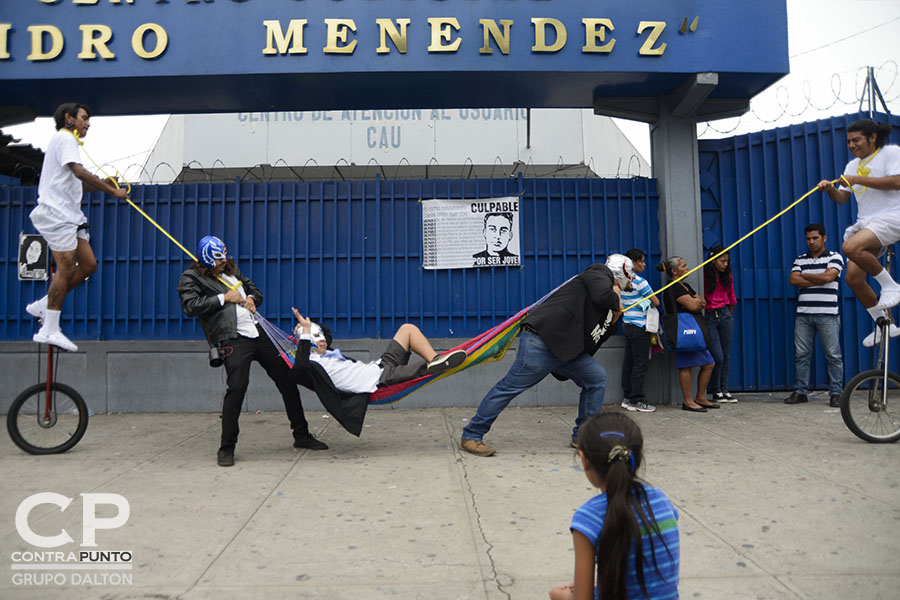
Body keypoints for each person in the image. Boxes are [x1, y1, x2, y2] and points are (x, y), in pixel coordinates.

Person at [177, 236, 327, 467]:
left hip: (258, 333)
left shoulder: (231, 272)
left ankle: (302, 435)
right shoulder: (191, 278)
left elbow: (255, 291)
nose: (223, 262)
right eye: (218, 259)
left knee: (287, 379)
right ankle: (226, 447)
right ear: (206, 259)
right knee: (237, 387)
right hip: (233, 338)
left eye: (224, 257)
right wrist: (223, 298)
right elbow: (190, 306)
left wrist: (251, 299)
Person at [460, 256, 629, 456]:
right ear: (621, 272)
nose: (632, 282)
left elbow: (597, 337)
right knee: (508, 388)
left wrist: (613, 319)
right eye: (632, 276)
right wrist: (616, 296)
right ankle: (472, 435)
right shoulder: (599, 273)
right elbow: (603, 296)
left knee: (596, 377)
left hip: (566, 349)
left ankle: (584, 435)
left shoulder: (606, 297)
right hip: (543, 342)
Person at [26, 102, 128, 352]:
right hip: (57, 215)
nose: (88, 123)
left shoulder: (65, 143)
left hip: (71, 216)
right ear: (68, 118)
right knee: (66, 267)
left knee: (89, 264)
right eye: (84, 118)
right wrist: (112, 190)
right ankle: (49, 328)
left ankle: (43, 303)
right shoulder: (64, 137)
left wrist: (103, 184)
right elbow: (79, 173)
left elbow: (78, 183)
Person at [548, 412, 679, 600]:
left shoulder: (588, 518)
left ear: (584, 460)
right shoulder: (661, 501)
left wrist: (562, 596)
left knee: (557, 595)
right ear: (638, 458)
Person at [817, 119, 900, 346]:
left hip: (893, 216)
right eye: (849, 141)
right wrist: (830, 189)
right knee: (853, 278)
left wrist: (856, 179)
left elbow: (896, 181)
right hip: (868, 223)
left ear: (872, 138)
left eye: (856, 140)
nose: (852, 145)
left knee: (850, 247)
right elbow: (842, 198)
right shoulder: (851, 166)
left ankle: (890, 285)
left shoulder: (890, 153)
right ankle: (884, 325)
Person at [290, 308, 467, 395]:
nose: (321, 338)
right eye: (315, 337)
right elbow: (299, 369)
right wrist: (305, 333)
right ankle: (436, 364)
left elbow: (326, 334)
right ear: (306, 342)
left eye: (319, 334)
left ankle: (436, 359)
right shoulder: (311, 364)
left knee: (407, 329)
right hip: (380, 381)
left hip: (380, 366)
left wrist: (308, 326)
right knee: (423, 369)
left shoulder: (325, 352)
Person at [785, 224, 845, 408]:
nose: (811, 242)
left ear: (824, 238)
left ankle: (836, 393)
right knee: (801, 355)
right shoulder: (800, 259)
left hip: (828, 315)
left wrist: (807, 275)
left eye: (815, 238)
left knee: (833, 355)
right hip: (803, 315)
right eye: (808, 238)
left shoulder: (835, 257)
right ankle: (801, 392)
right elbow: (793, 280)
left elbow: (829, 278)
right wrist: (821, 276)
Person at [658, 256, 719, 412]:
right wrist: (695, 301)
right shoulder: (673, 287)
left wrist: (696, 302)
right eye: (684, 266)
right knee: (686, 366)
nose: (687, 268)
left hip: (694, 331)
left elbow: (703, 301)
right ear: (674, 271)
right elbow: (694, 306)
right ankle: (688, 401)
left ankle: (700, 397)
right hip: (684, 331)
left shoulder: (685, 286)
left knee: (709, 363)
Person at [619, 248, 660, 413]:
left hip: (627, 324)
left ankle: (628, 397)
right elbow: (656, 301)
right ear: (632, 263)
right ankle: (637, 400)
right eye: (641, 261)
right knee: (640, 363)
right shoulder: (640, 281)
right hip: (639, 326)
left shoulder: (621, 281)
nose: (644, 264)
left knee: (629, 362)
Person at [703, 246, 738, 403]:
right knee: (717, 355)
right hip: (710, 316)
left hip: (724, 315)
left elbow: (731, 296)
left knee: (726, 354)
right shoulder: (704, 275)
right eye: (722, 261)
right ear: (713, 260)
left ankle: (725, 389)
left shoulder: (727, 275)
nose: (725, 264)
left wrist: (728, 316)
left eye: (727, 261)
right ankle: (716, 390)